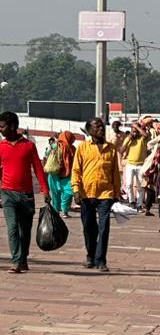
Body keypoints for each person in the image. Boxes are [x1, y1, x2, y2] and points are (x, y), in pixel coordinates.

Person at [0, 111, 50, 274]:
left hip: (26, 194)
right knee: (12, 228)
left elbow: (38, 168)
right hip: (7, 193)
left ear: (12, 126)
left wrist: (45, 190)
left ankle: (23, 258)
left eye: (2, 127)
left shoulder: (29, 146)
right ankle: (16, 260)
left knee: (25, 229)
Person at [71, 117, 120, 273]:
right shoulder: (82, 148)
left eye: (102, 126)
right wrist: (76, 190)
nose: (101, 129)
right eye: (97, 127)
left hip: (106, 193)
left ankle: (101, 260)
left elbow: (115, 173)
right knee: (89, 227)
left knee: (104, 227)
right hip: (87, 193)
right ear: (89, 130)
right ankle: (90, 255)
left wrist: (117, 194)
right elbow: (76, 170)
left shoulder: (111, 149)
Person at [45, 131, 76, 216]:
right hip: (66, 174)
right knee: (68, 192)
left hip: (54, 174)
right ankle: (63, 211)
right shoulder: (73, 148)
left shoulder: (55, 146)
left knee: (56, 194)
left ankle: (58, 211)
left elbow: (46, 154)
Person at [122, 124, 148, 209]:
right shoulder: (129, 139)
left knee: (140, 186)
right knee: (129, 184)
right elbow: (121, 150)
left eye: (136, 131)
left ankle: (139, 204)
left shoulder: (142, 139)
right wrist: (128, 139)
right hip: (130, 165)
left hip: (140, 165)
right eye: (133, 131)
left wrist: (137, 127)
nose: (134, 133)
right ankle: (132, 201)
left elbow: (145, 135)